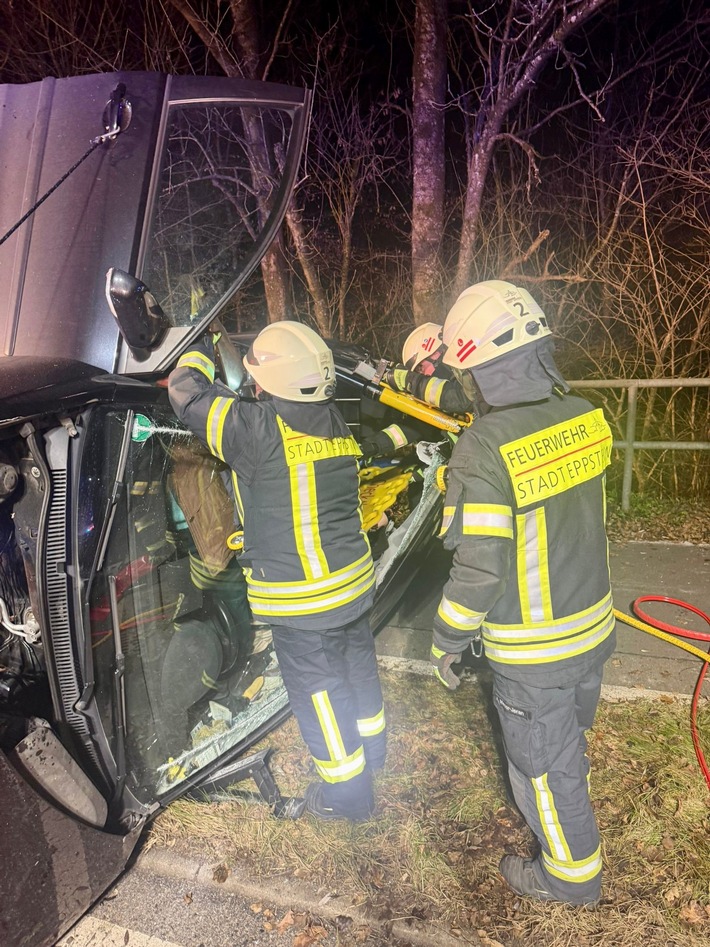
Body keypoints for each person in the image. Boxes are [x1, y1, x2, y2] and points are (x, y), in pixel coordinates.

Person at [429, 280, 616, 906]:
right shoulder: (585, 415)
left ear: (479, 367)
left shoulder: (484, 446)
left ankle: (571, 876)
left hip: (535, 648)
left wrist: (447, 639)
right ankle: (574, 809)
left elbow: (479, 570)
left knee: (541, 763)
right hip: (592, 626)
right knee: (567, 737)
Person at [168, 320, 386, 820]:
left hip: (305, 597)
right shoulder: (333, 420)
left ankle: (348, 798)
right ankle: (375, 755)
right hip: (352, 583)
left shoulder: (257, 427)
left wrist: (197, 348)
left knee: (319, 695)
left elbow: (186, 394)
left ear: (270, 382)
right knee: (358, 671)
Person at [360, 323, 473, 458]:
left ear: (438, 353)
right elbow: (415, 425)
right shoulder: (446, 392)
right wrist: (372, 446)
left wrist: (409, 380)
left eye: (421, 367)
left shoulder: (471, 369)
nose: (423, 375)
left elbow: (462, 399)